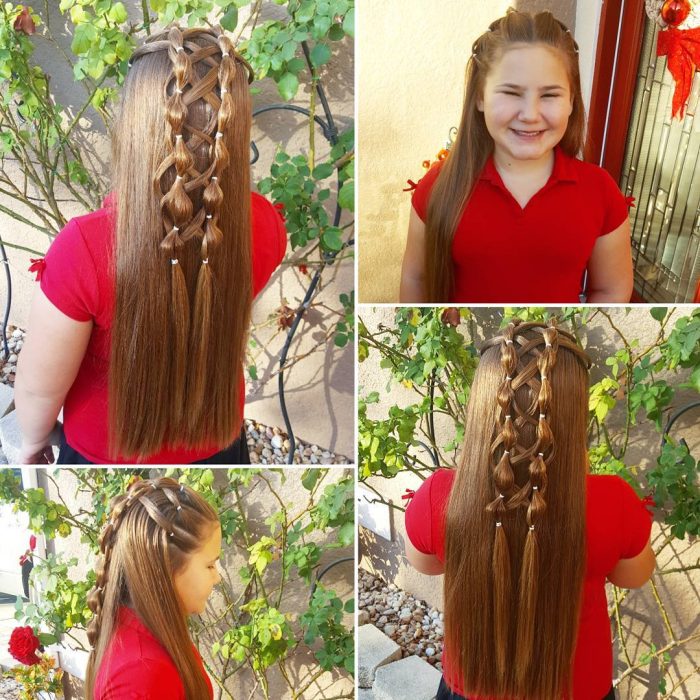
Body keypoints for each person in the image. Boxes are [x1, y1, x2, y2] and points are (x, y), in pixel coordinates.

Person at [14, 26, 286, 464]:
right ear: (235, 128)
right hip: (218, 443)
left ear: (134, 124)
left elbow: (36, 384)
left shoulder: (85, 249)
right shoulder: (264, 225)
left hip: (107, 456)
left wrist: (32, 441)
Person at [404, 320, 655, 700]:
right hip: (577, 689)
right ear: (574, 416)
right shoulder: (613, 502)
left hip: (472, 686)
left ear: (483, 407)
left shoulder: (440, 496)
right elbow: (633, 576)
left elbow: (426, 564)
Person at [400, 10, 633, 304]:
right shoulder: (440, 185)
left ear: (572, 101)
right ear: (480, 97)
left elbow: (611, 289)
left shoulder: (600, 191)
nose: (530, 115)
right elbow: (415, 279)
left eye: (549, 96)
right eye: (511, 93)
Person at [85, 476, 221, 699]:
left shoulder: (150, 630)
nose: (217, 578)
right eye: (210, 565)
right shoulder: (142, 675)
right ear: (167, 569)